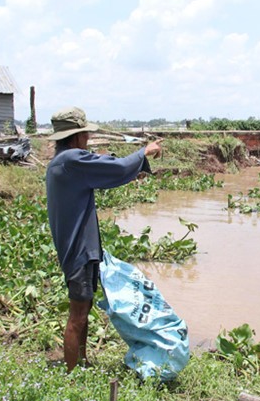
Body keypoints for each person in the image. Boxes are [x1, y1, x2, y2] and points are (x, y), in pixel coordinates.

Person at [45, 106, 162, 372]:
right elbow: (117, 169)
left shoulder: (60, 163)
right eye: (85, 135)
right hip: (79, 252)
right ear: (76, 137)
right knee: (77, 317)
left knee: (83, 313)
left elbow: (103, 165)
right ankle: (71, 375)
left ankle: (82, 364)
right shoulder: (73, 160)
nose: (87, 140)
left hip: (75, 250)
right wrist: (143, 152)